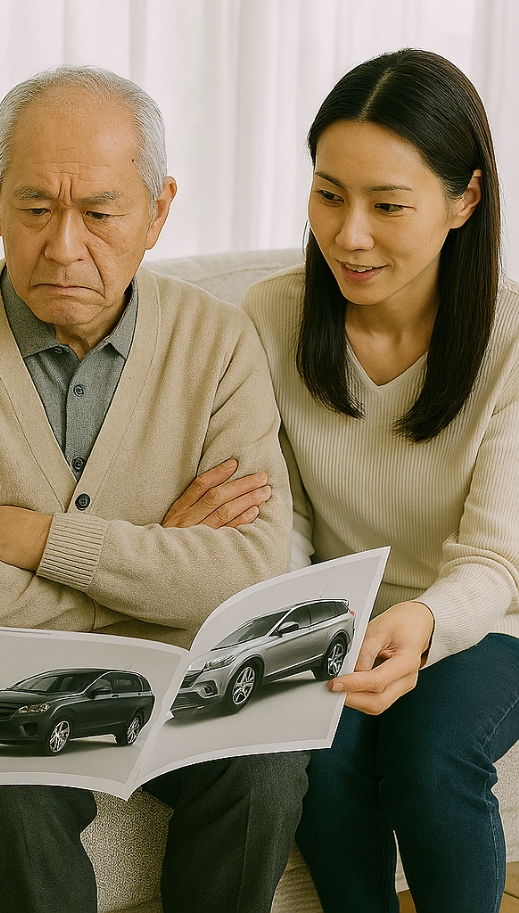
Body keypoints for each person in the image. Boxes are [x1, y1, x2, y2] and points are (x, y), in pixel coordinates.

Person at [0, 65, 309, 913]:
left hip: (176, 673)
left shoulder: (218, 342)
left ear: (158, 210)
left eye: (100, 214)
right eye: (35, 208)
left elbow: (249, 570)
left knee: (266, 768)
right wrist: (160, 570)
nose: (64, 246)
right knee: (12, 813)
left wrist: (43, 540)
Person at [242, 48, 519, 913]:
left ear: (463, 200)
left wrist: (423, 623)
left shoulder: (511, 340)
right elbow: (281, 516)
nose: (348, 234)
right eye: (328, 195)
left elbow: (494, 561)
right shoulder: (269, 317)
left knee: (428, 756)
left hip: (488, 615)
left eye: (386, 205)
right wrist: (293, 618)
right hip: (339, 611)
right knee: (314, 757)